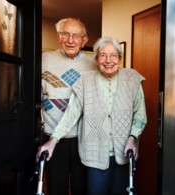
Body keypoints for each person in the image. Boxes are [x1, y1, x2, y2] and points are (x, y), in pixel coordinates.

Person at [37, 37, 147, 195]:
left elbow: (140, 115)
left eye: (113, 55)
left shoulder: (132, 79)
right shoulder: (84, 81)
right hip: (94, 154)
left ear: (120, 58)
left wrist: (133, 138)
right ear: (96, 59)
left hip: (124, 152)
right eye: (102, 55)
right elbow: (71, 114)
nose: (108, 60)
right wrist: (53, 141)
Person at [38, 17, 96, 195]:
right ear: (58, 37)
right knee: (56, 187)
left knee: (82, 187)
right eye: (65, 34)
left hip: (83, 137)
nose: (70, 40)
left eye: (76, 36)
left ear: (84, 40)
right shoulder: (43, 59)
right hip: (52, 136)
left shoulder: (94, 63)